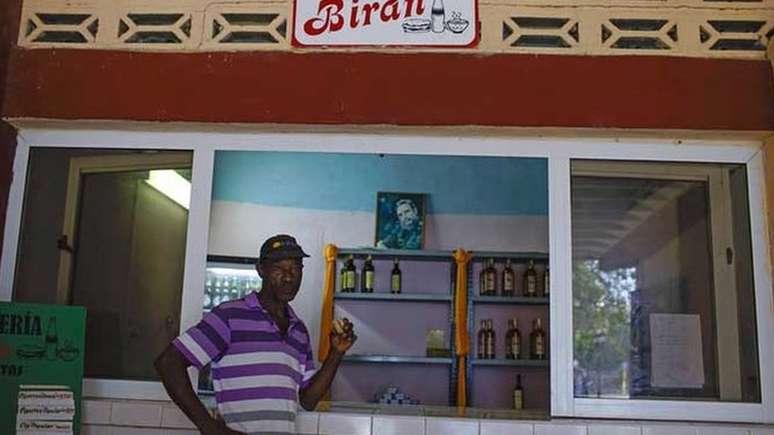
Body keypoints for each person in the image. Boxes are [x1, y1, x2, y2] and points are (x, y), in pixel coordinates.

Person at [155, 234, 356, 435]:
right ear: (261, 269)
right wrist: (209, 427)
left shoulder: (299, 331)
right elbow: (169, 362)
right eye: (279, 268)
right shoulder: (229, 316)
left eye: (295, 268)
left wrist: (336, 353)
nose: (288, 277)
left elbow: (308, 400)